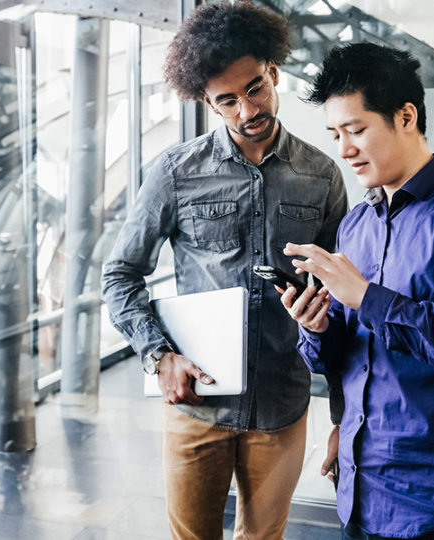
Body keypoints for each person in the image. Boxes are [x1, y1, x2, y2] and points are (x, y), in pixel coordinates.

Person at [101, 2, 348, 539]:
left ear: (274, 73)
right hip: (197, 406)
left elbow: (343, 292)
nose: (246, 111)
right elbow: (119, 274)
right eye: (227, 101)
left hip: (283, 402)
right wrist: (157, 355)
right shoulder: (174, 172)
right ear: (207, 103)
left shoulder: (322, 175)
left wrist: (321, 318)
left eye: (255, 89)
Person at [278, 43, 434, 539]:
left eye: (355, 130)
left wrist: (367, 297)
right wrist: (319, 326)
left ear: (406, 116)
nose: (344, 149)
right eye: (335, 134)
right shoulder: (356, 226)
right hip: (359, 493)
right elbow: (345, 357)